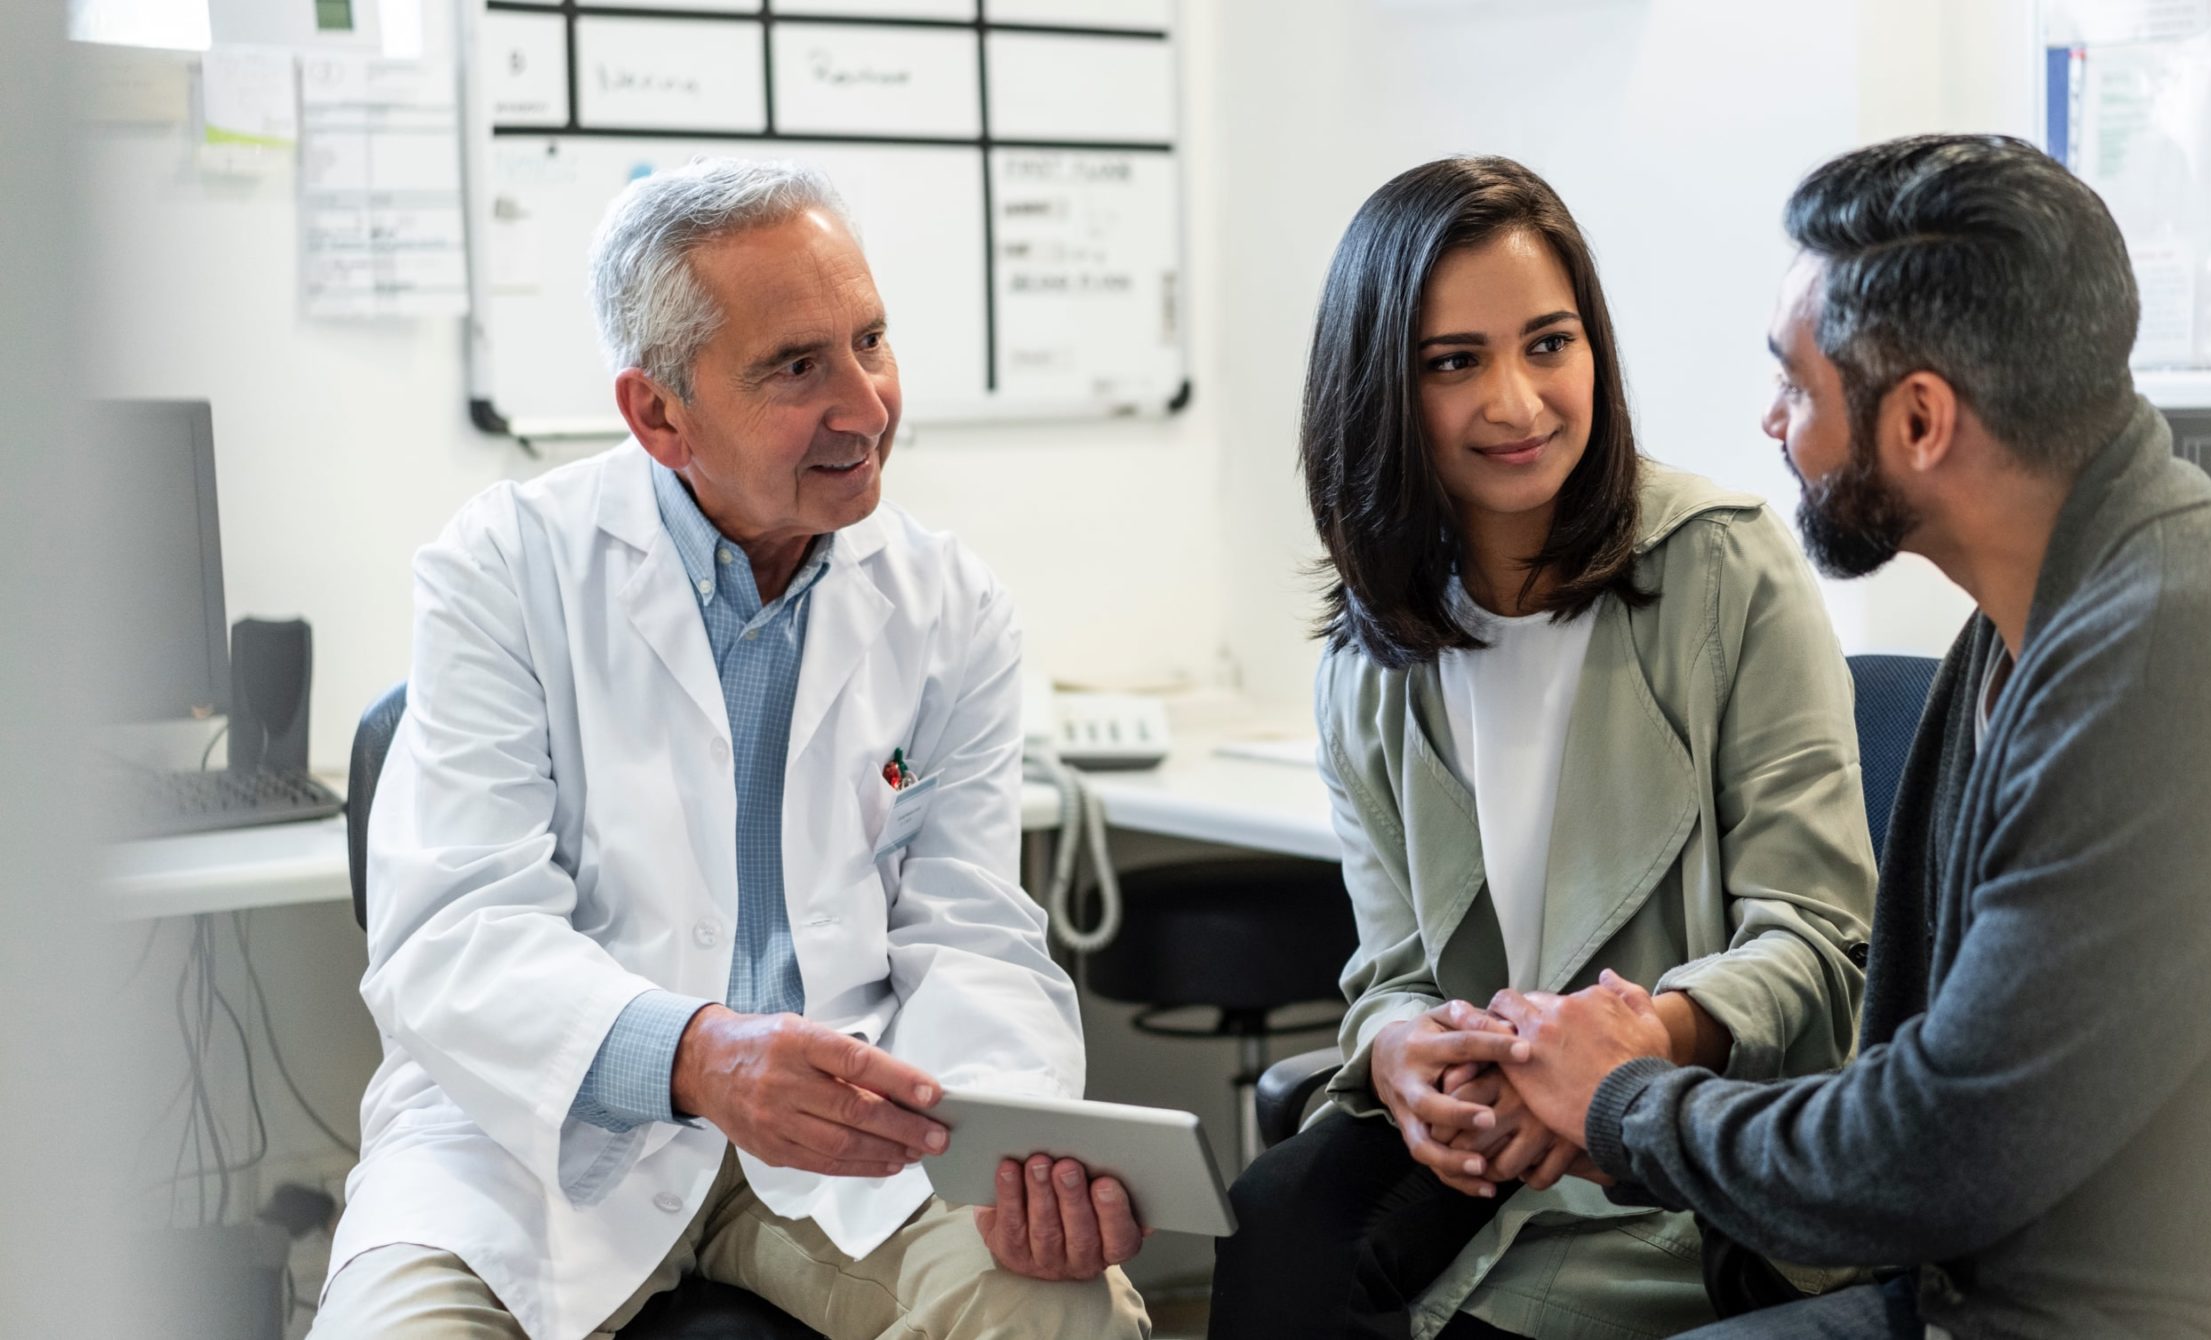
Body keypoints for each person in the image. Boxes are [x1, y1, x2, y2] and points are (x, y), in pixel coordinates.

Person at [1485, 134, 2211, 1338]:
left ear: (1918, 421)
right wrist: (1626, 1104)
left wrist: (1626, 1103)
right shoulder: (2034, 623)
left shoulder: (2187, 648)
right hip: (2008, 1284)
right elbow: (1928, 1103)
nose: (1772, 421)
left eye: (1796, 387)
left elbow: (1939, 1147)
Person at [311, 158, 1152, 1340]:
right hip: (536, 1143)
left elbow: (971, 933)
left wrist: (1011, 1148)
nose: (865, 405)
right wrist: (696, 1056)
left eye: (870, 340)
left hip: (845, 1145)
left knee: (1060, 1307)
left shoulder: (949, 604)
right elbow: (453, 931)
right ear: (659, 413)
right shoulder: (504, 569)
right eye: (798, 367)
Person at [1211, 155, 1875, 1340]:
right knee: (1273, 1223)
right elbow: (1393, 973)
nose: (1516, 402)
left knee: (1484, 1312)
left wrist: (1625, 1050)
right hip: (1480, 1146)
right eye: (1453, 362)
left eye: (1549, 344)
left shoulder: (1727, 571)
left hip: (1683, 1148)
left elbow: (1819, 937)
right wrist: (1403, 1051)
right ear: (1379, 389)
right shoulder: (1365, 660)